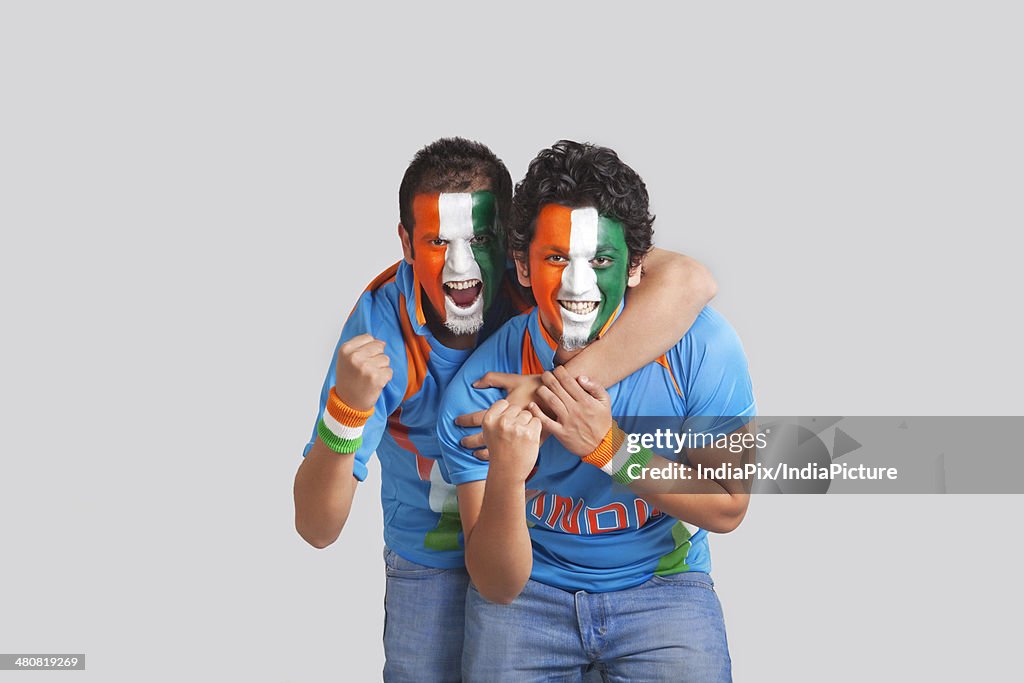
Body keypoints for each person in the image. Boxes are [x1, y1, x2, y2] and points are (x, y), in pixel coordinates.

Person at [293, 138, 719, 682]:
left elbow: (691, 281)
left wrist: (552, 390)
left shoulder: (552, 274)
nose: (462, 267)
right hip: (433, 557)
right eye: (436, 242)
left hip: (549, 551)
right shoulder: (380, 330)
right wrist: (345, 413)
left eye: (482, 239)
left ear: (511, 242)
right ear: (405, 242)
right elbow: (317, 527)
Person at [437, 140, 756, 682]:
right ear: (521, 265)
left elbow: (728, 507)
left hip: (664, 587)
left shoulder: (702, 346)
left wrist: (609, 450)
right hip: (532, 592)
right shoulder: (480, 388)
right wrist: (509, 475)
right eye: (556, 257)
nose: (576, 284)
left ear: (634, 269)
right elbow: (497, 585)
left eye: (600, 260)